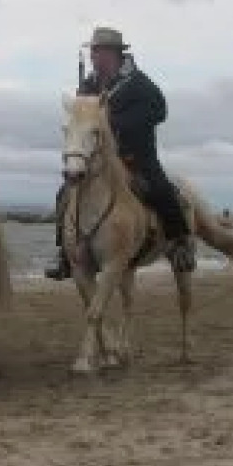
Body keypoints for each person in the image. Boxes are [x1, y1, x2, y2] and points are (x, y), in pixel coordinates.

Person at [45, 27, 195, 280]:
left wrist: (115, 123)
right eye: (92, 51)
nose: (93, 56)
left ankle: (180, 242)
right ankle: (65, 253)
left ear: (113, 53)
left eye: (98, 51)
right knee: (64, 193)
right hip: (100, 161)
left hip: (135, 157)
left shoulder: (139, 83)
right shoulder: (90, 83)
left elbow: (159, 110)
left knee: (160, 189)